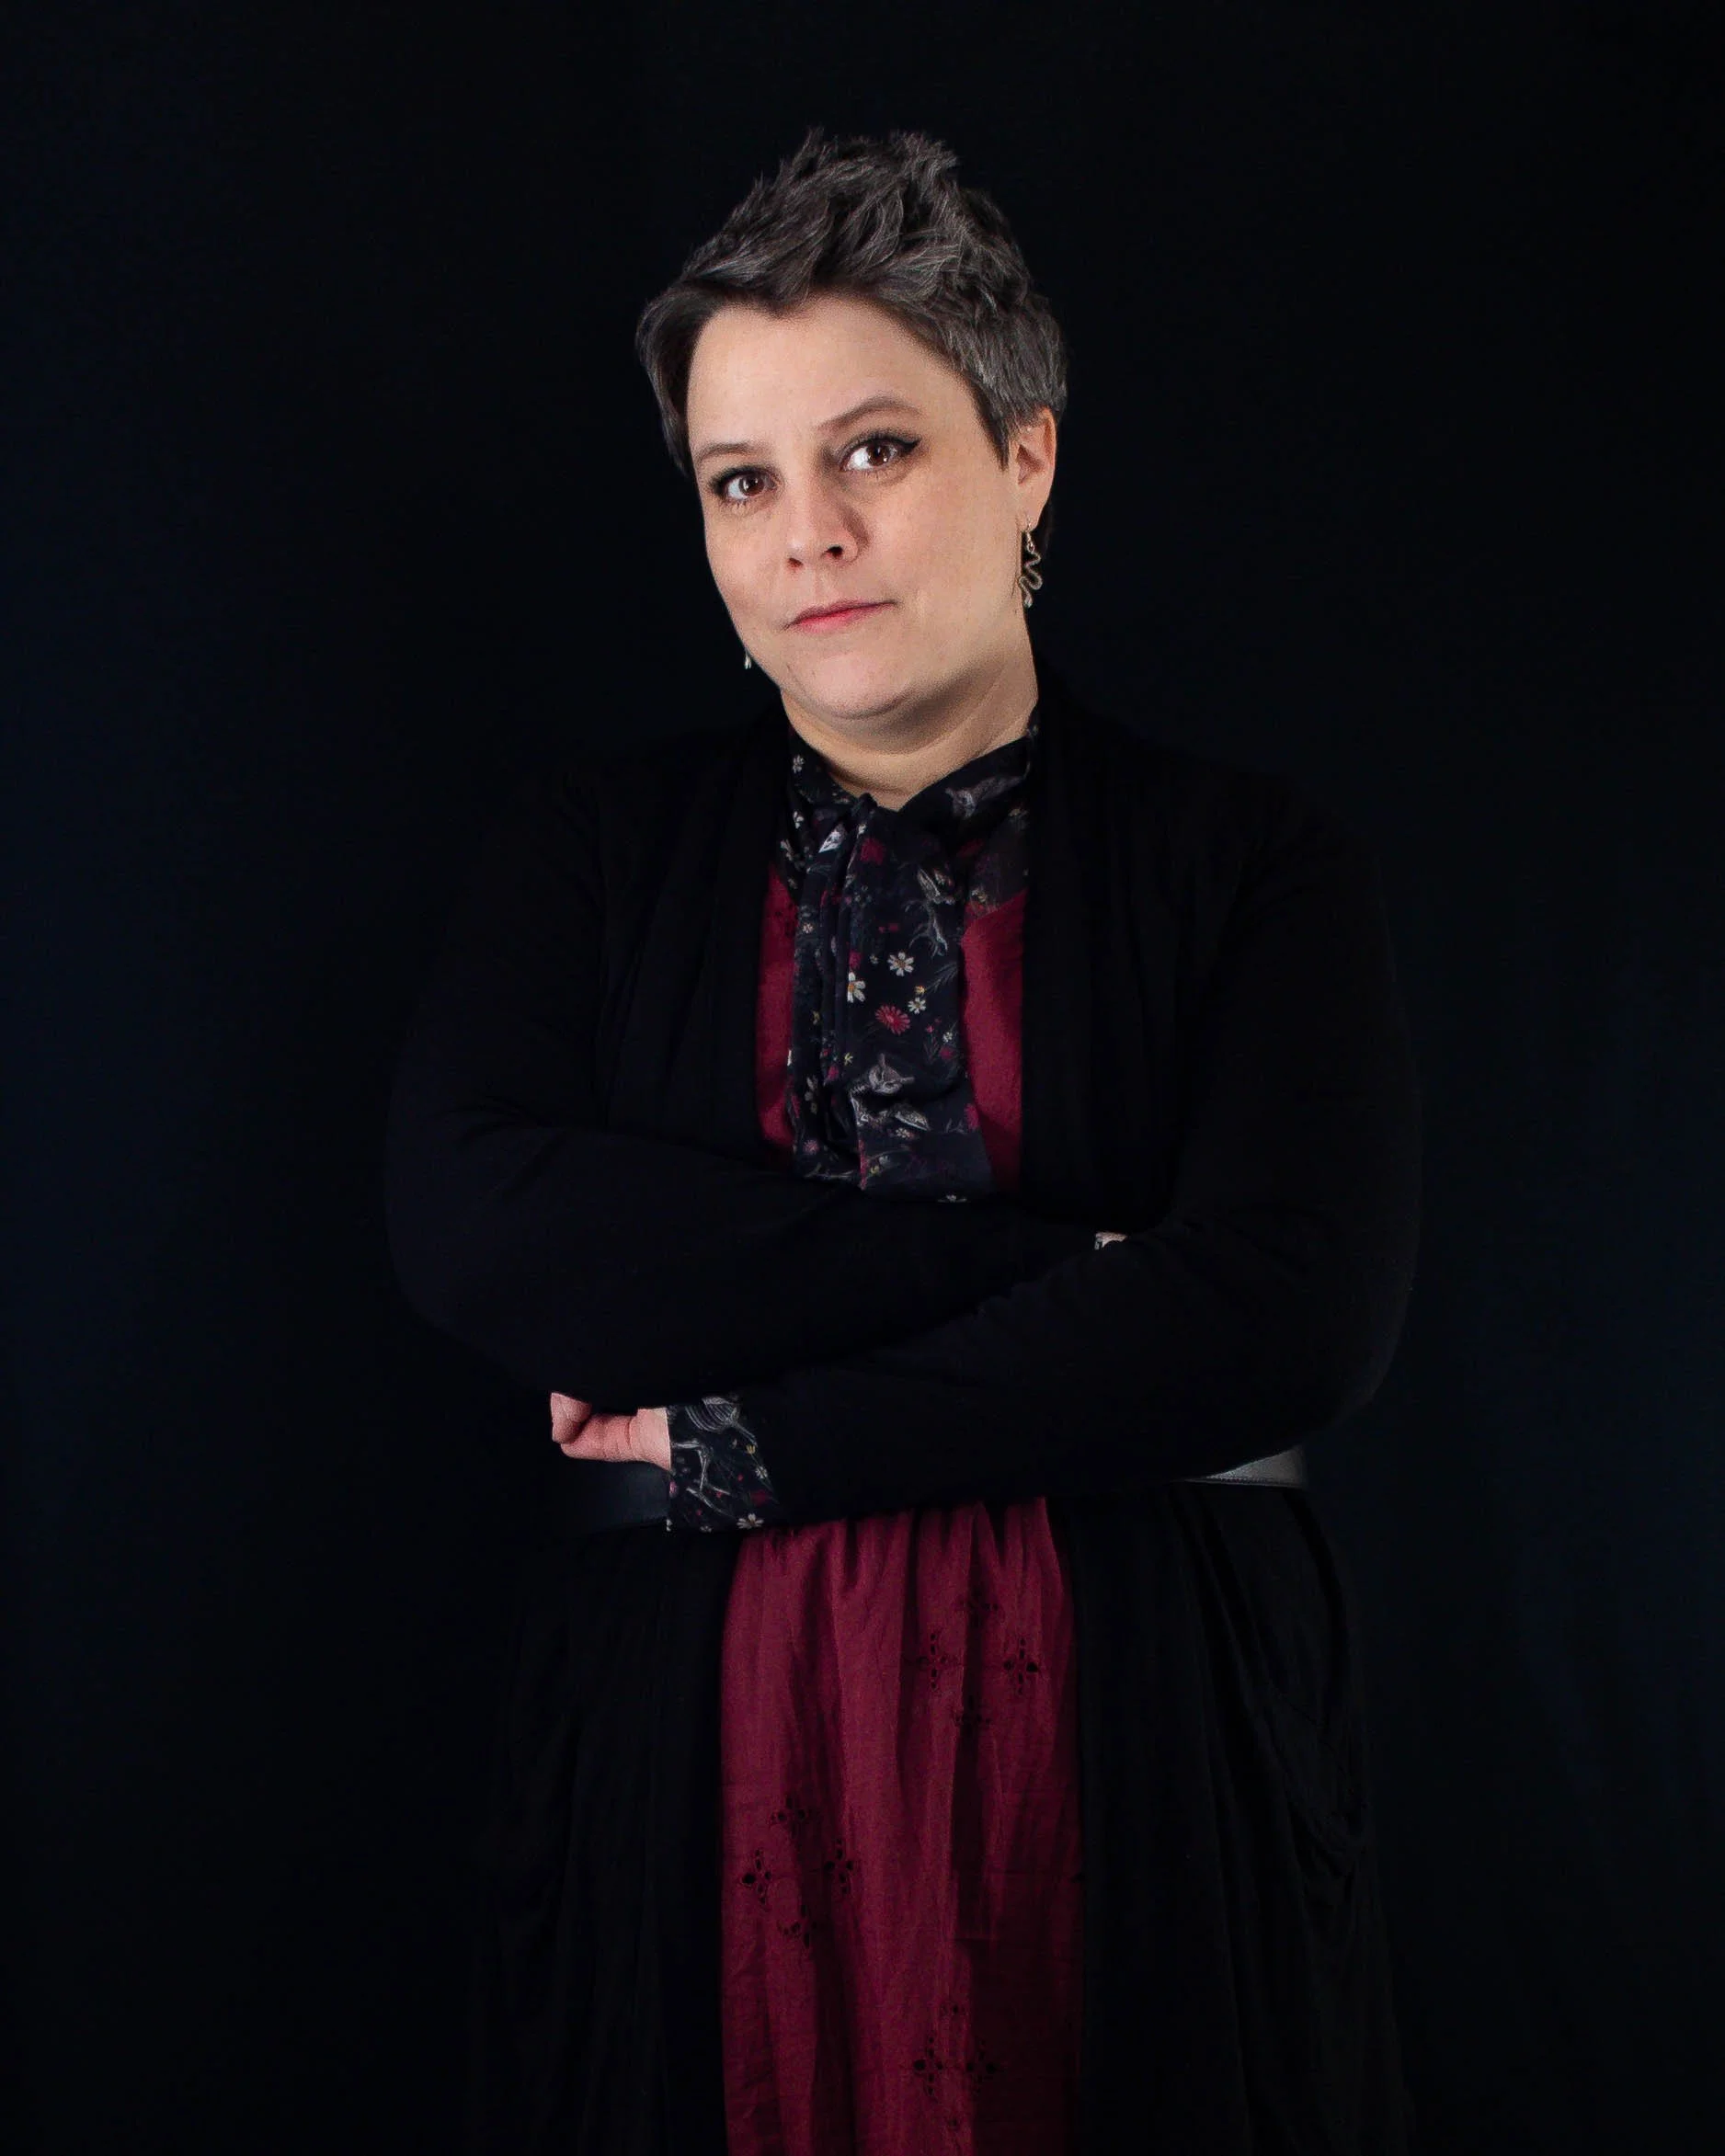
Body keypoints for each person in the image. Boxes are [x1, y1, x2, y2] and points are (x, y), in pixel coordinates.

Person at [384, 124, 1424, 2156]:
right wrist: (1075, 1278)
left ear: (1023, 455)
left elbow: (1295, 1322)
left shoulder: (1251, 866)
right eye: (740, 480)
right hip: (682, 1767)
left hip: (1144, 1751)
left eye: (874, 450)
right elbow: (479, 1229)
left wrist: (763, 1433)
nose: (807, 535)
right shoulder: (587, 860)